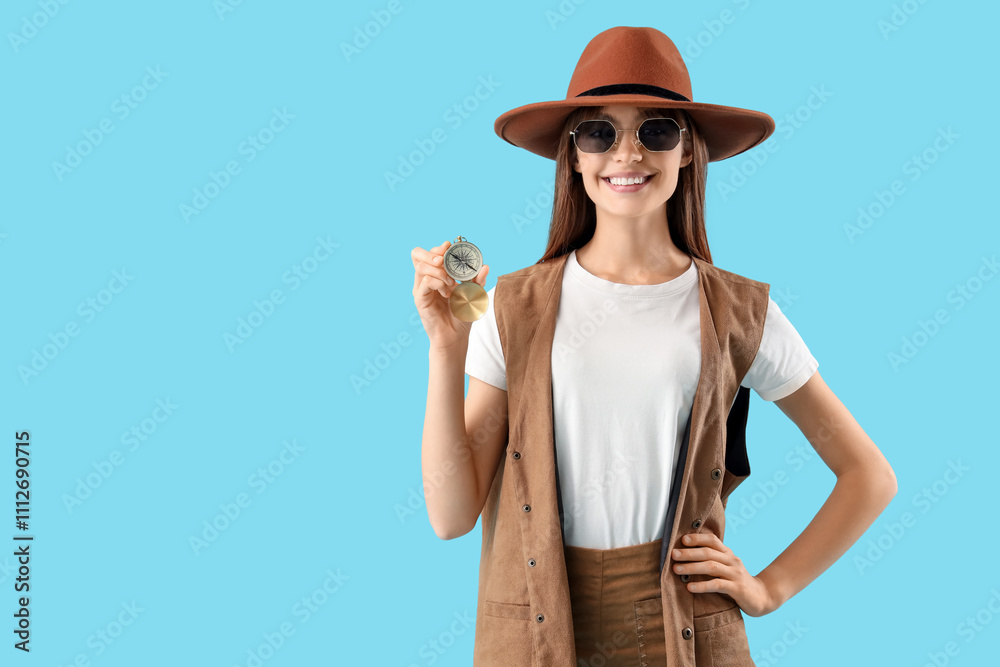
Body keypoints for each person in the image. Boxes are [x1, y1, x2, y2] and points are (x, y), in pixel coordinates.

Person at [411, 26, 897, 667]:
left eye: (657, 130)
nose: (627, 153)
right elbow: (451, 516)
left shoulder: (739, 312)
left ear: (688, 150)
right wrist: (447, 349)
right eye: (599, 132)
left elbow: (869, 476)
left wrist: (769, 588)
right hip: (535, 620)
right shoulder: (509, 307)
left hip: (682, 624)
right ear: (575, 155)